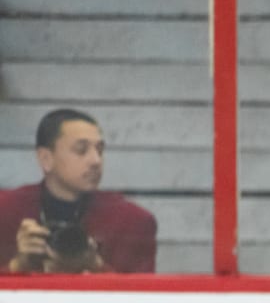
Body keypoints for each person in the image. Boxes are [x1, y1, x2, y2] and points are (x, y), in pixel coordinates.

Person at [0, 109, 156, 275]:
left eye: (100, 150)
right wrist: (17, 266)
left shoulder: (132, 222)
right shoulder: (6, 211)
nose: (96, 161)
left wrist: (97, 267)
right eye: (81, 150)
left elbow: (142, 291)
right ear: (46, 159)